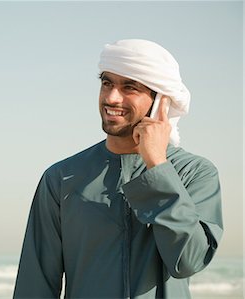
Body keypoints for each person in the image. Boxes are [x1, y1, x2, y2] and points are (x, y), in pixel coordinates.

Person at [13, 39, 223, 299]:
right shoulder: (60, 178)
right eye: (107, 83)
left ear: (160, 102)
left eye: (130, 87)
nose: (112, 97)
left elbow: (188, 260)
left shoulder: (195, 173)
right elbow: (35, 284)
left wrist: (157, 166)